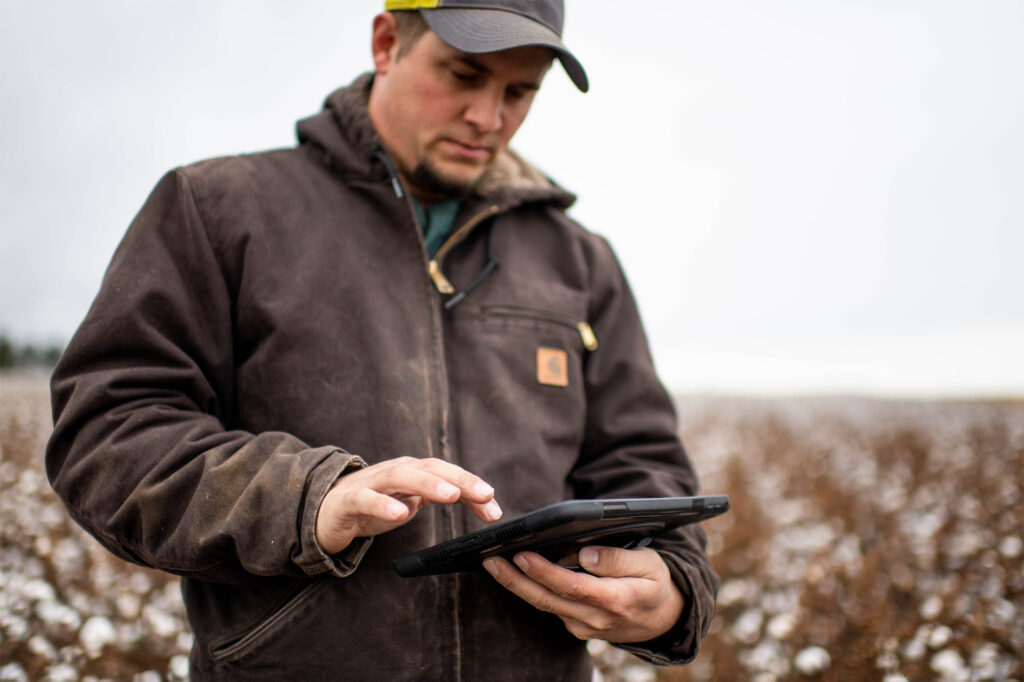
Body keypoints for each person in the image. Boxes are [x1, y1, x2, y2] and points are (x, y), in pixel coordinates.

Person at [46, 1, 719, 679]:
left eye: (520, 92)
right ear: (387, 41)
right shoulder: (218, 210)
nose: (490, 119)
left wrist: (671, 590)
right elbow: (110, 433)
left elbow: (641, 459)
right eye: (463, 74)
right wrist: (308, 502)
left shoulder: (581, 261)